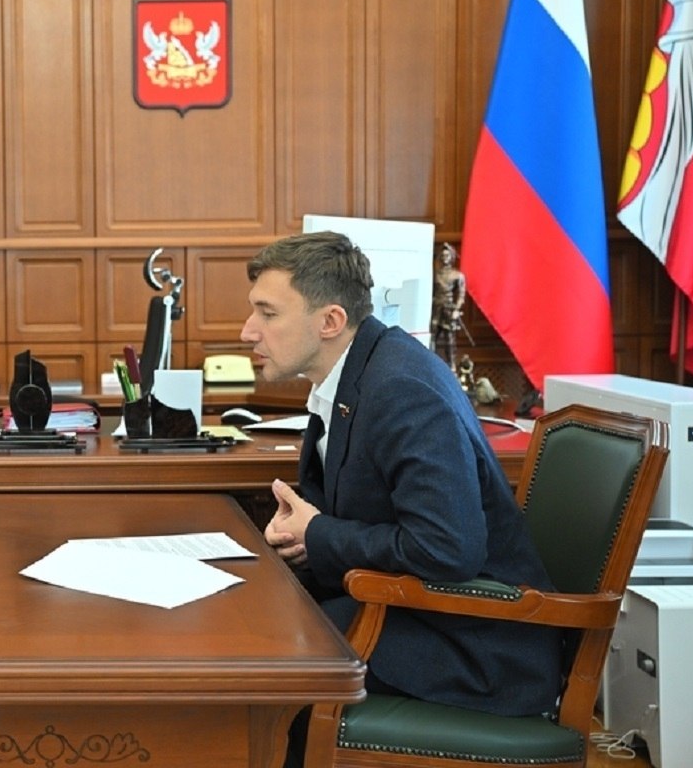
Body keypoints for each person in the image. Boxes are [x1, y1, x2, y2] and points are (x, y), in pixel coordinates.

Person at [238, 232, 562, 761]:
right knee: (257, 621)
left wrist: (318, 534)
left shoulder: (400, 389)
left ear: (330, 321)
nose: (248, 330)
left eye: (267, 313)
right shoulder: (359, 372)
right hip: (413, 613)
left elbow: (447, 549)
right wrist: (304, 534)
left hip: (475, 648)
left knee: (264, 659)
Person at [431, 241, 467, 367]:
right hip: (436, 309)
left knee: (449, 340)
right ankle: (430, 363)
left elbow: (461, 295)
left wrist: (456, 310)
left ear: (451, 257)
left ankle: (452, 366)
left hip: (448, 310)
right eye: (443, 256)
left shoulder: (457, 275)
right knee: (432, 337)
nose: (445, 258)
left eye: (447, 255)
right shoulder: (435, 274)